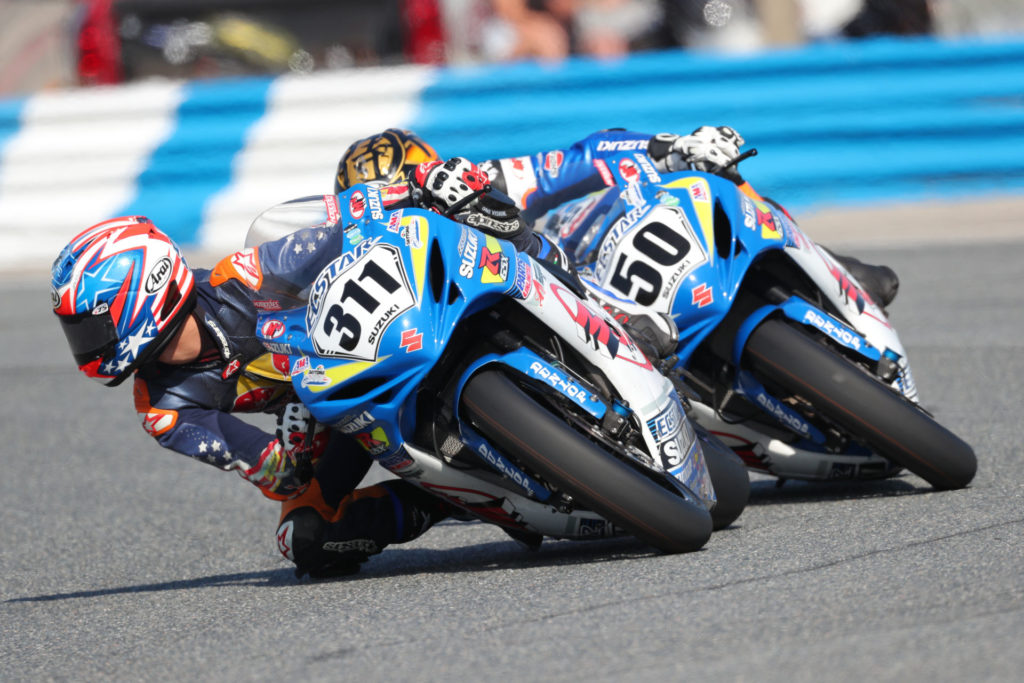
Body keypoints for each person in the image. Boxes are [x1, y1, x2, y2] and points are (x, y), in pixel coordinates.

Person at [50, 159, 546, 579]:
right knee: (304, 539)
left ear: (142, 289)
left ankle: (570, 300)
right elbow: (272, 472)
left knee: (490, 231)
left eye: (91, 329)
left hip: (396, 331)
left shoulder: (241, 278)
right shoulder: (164, 408)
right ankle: (462, 500)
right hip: (337, 411)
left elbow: (344, 224)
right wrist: (293, 451)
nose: (88, 349)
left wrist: (418, 184)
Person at [328, 127, 899, 311]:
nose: (412, 202)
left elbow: (580, 158)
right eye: (391, 199)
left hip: (603, 265)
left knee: (703, 176)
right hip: (550, 330)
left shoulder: (486, 181)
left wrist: (667, 146)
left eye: (416, 183)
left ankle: (817, 260)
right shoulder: (377, 278)